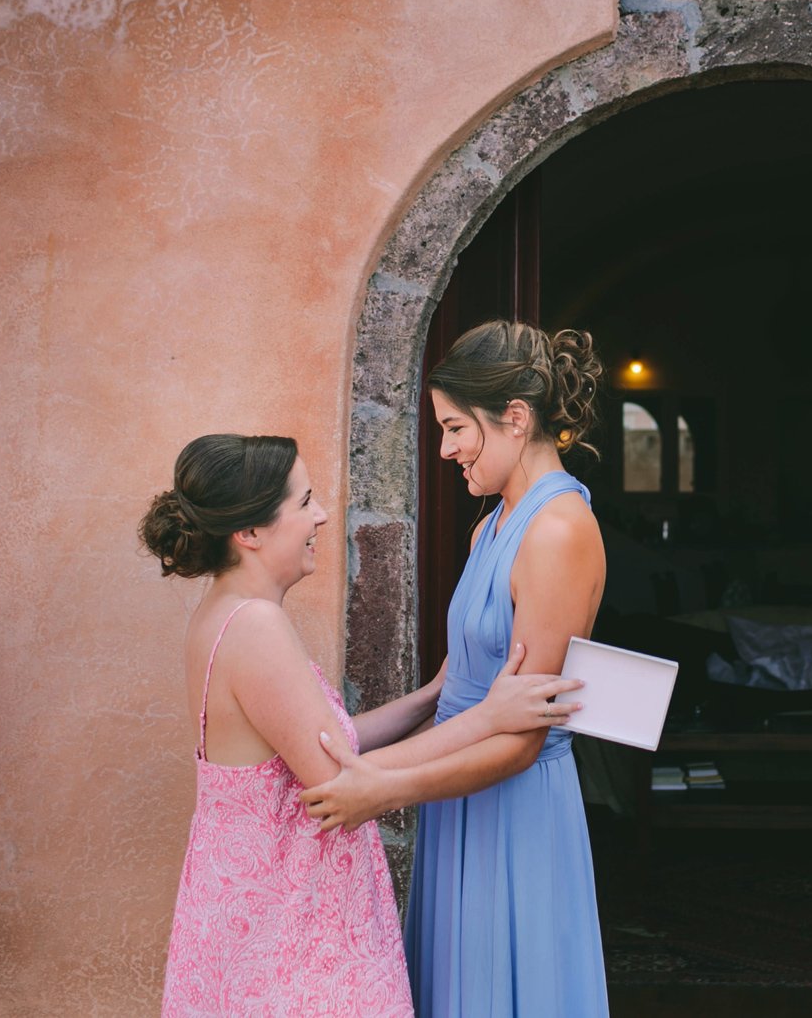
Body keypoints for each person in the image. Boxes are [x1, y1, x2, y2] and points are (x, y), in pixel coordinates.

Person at [141, 433, 581, 1017]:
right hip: (288, 932)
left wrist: (431, 697)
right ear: (248, 533)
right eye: (303, 504)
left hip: (259, 917)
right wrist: (488, 718)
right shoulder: (254, 627)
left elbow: (328, 739)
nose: (321, 515)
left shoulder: (228, 612)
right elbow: (339, 780)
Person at [298, 321, 610, 1018]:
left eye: (455, 429)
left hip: (515, 805)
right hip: (457, 800)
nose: (445, 451)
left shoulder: (557, 530)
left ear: (516, 420)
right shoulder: (491, 523)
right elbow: (462, 683)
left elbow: (522, 735)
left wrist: (383, 788)